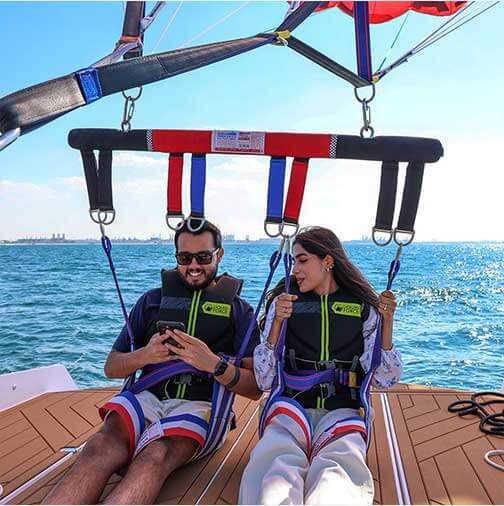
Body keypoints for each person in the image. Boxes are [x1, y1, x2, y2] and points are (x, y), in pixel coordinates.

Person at [44, 219, 261, 505]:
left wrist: (212, 364)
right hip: (146, 398)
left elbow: (255, 388)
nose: (193, 265)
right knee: (98, 447)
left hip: (202, 407)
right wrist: (146, 355)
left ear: (219, 255)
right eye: (185, 258)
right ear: (176, 258)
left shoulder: (239, 312)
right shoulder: (151, 302)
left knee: (153, 457)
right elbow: (111, 367)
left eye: (203, 257)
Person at [239, 226, 402, 505]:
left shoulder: (364, 309)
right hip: (290, 410)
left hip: (343, 410)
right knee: (274, 479)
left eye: (302, 261)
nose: (295, 270)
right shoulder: (285, 305)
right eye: (294, 262)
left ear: (328, 262)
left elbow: (386, 378)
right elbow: (265, 380)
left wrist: (387, 325)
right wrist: (277, 323)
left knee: (334, 483)